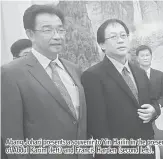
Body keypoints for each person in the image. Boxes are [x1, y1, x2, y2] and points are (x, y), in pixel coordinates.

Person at [1, 4, 89, 159]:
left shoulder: (74, 69)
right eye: (47, 30)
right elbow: (12, 137)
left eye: (60, 29)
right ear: (30, 34)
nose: (57, 36)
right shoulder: (11, 73)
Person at [81, 19, 160, 159]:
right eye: (113, 37)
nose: (120, 40)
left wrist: (154, 110)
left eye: (123, 36)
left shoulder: (139, 71)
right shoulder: (92, 76)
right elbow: (97, 125)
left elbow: (154, 101)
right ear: (102, 44)